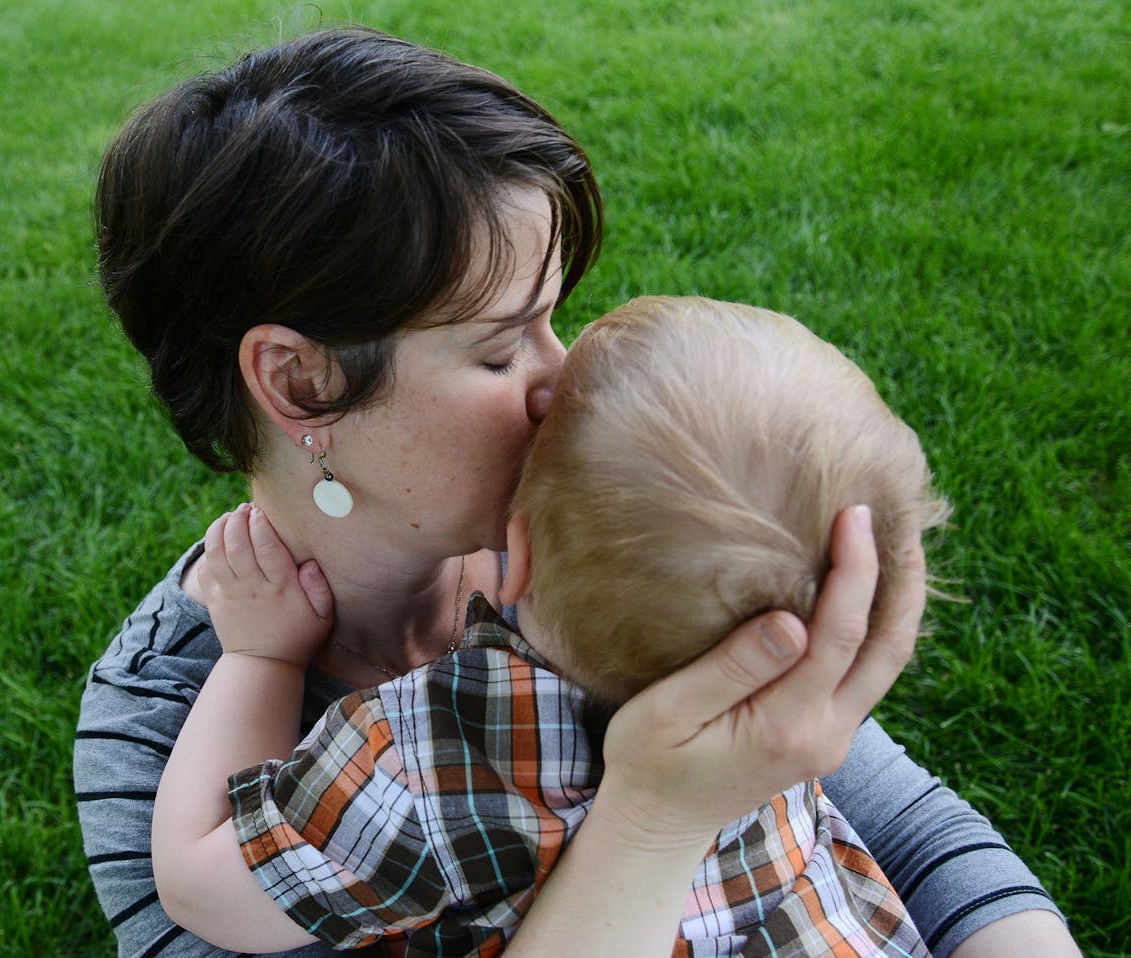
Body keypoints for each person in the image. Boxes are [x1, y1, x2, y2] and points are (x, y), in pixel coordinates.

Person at [73, 25, 1075, 958]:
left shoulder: (623, 548)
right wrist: (655, 815)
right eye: (502, 345)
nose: (561, 380)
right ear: (301, 381)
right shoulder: (156, 717)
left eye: (556, 319)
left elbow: (914, 837)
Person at [159, 295, 945, 956]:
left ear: (519, 548)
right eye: (502, 351)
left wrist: (260, 656)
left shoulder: (426, 756)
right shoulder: (784, 711)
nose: (551, 374)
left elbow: (201, 883)